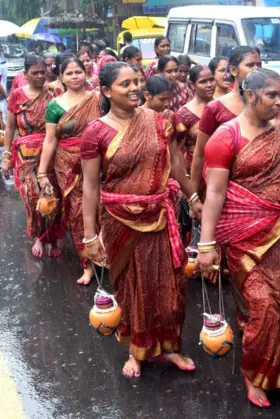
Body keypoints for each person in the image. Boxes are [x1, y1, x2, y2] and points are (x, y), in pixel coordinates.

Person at [197, 68, 280, 407]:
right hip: (242, 238)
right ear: (252, 95)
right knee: (263, 305)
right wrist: (206, 245)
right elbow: (214, 193)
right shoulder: (225, 138)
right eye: (272, 95)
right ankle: (253, 373)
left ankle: (277, 371)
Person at [81, 61, 202, 379]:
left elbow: (176, 163)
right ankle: (136, 350)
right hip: (120, 221)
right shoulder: (96, 132)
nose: (135, 88)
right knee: (134, 288)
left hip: (161, 216)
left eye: (138, 81)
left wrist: (193, 198)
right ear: (107, 91)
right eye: (125, 84)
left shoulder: (160, 120)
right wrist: (90, 237)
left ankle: (170, 346)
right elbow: (91, 186)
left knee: (170, 286)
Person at [37, 56, 102, 285]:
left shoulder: (99, 99)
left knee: (103, 210)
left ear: (86, 73)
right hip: (67, 165)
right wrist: (42, 172)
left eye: (78, 72)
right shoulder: (55, 106)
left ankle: (108, 256)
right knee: (77, 213)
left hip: (99, 161)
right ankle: (88, 264)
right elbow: (50, 140)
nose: (75, 77)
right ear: (62, 77)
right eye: (69, 73)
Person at [2, 55, 62, 258]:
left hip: (51, 151)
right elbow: (10, 127)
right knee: (32, 196)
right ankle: (39, 236)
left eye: (42, 72)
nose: (39, 76)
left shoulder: (54, 92)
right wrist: (6, 157)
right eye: (34, 73)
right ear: (25, 74)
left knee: (51, 195)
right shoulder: (17, 95)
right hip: (26, 155)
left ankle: (52, 237)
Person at [190, 46, 261, 195]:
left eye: (259, 65)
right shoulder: (215, 108)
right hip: (222, 188)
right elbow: (200, 154)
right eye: (250, 65)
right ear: (234, 70)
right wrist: (193, 196)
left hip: (260, 187)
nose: (256, 69)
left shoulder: (266, 104)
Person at [177, 65, 215, 174]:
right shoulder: (184, 114)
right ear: (193, 85)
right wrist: (185, 179)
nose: (209, 85)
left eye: (211, 80)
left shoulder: (222, 107)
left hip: (220, 170)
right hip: (194, 172)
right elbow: (178, 152)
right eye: (203, 82)